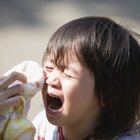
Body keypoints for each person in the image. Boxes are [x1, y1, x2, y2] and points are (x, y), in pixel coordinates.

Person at [1, 16, 140, 140]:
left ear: (107, 92)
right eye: (49, 67)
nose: (51, 80)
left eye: (68, 74)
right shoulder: (43, 125)